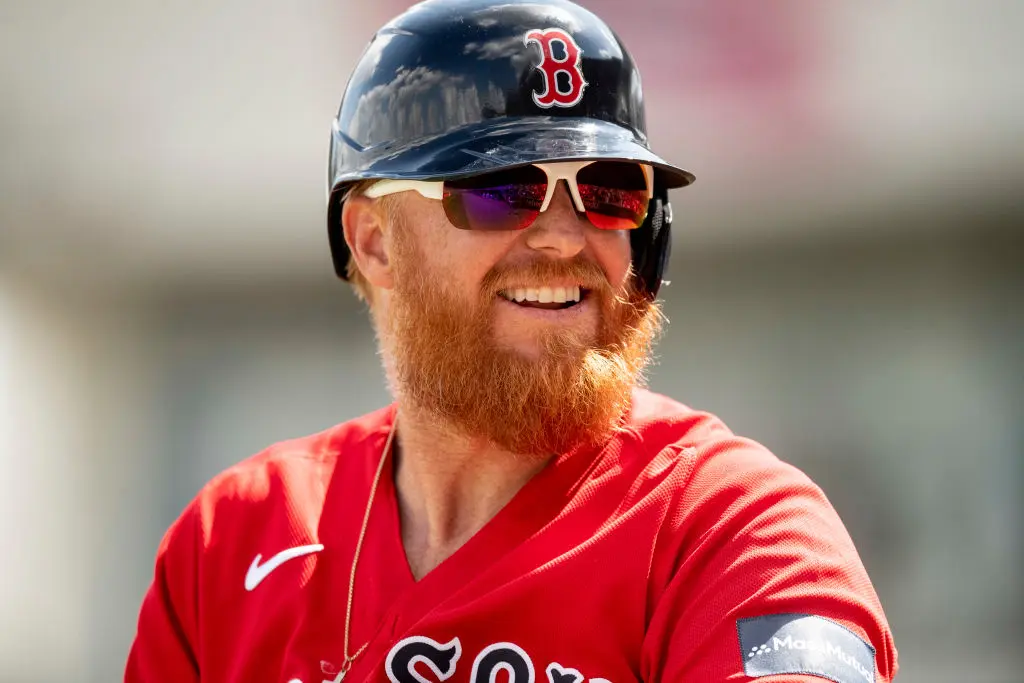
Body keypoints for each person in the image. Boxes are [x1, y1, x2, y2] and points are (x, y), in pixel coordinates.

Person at [126, 1, 899, 681]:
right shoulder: (230, 541)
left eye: (609, 191)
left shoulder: (734, 528)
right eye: (502, 189)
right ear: (374, 242)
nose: (564, 239)